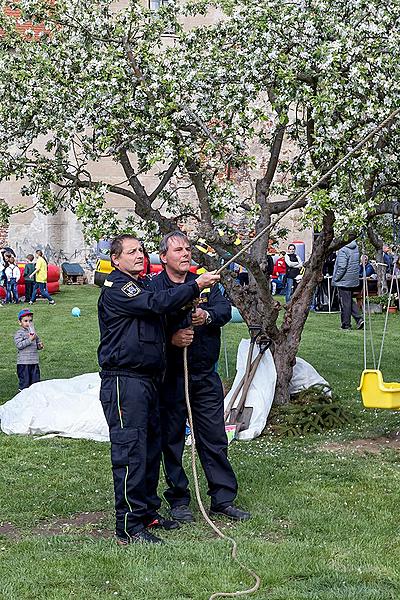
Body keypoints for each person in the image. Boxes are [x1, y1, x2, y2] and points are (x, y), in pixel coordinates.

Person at [98, 234, 221, 545]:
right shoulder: (118, 288)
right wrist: (196, 285)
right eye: (131, 252)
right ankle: (128, 526)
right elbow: (154, 304)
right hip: (125, 380)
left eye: (141, 250)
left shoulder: (139, 285)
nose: (139, 256)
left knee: (150, 450)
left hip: (149, 381)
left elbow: (161, 312)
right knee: (130, 453)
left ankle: (147, 512)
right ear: (116, 259)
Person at [151, 231, 250, 524]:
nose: (185, 253)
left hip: (205, 374)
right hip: (171, 376)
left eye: (188, 248)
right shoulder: (155, 286)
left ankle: (223, 498)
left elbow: (222, 310)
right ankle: (179, 500)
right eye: (178, 249)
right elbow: (151, 321)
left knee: (214, 437)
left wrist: (206, 317)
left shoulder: (206, 283)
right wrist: (172, 338)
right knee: (171, 441)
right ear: (163, 257)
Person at [332, 240, 364, 330]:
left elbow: (342, 266)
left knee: (344, 303)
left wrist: (336, 278)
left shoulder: (343, 250)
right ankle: (359, 319)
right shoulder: (356, 248)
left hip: (343, 280)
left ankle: (346, 325)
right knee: (349, 300)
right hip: (352, 279)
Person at [14, 309, 43, 390]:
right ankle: (23, 399)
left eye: (30, 321)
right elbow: (19, 345)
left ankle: (34, 399)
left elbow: (37, 343)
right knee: (25, 384)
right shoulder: (19, 333)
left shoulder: (33, 332)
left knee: (35, 384)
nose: (28, 323)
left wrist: (39, 345)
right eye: (25, 321)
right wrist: (29, 339)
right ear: (20, 322)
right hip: (24, 363)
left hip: (34, 362)